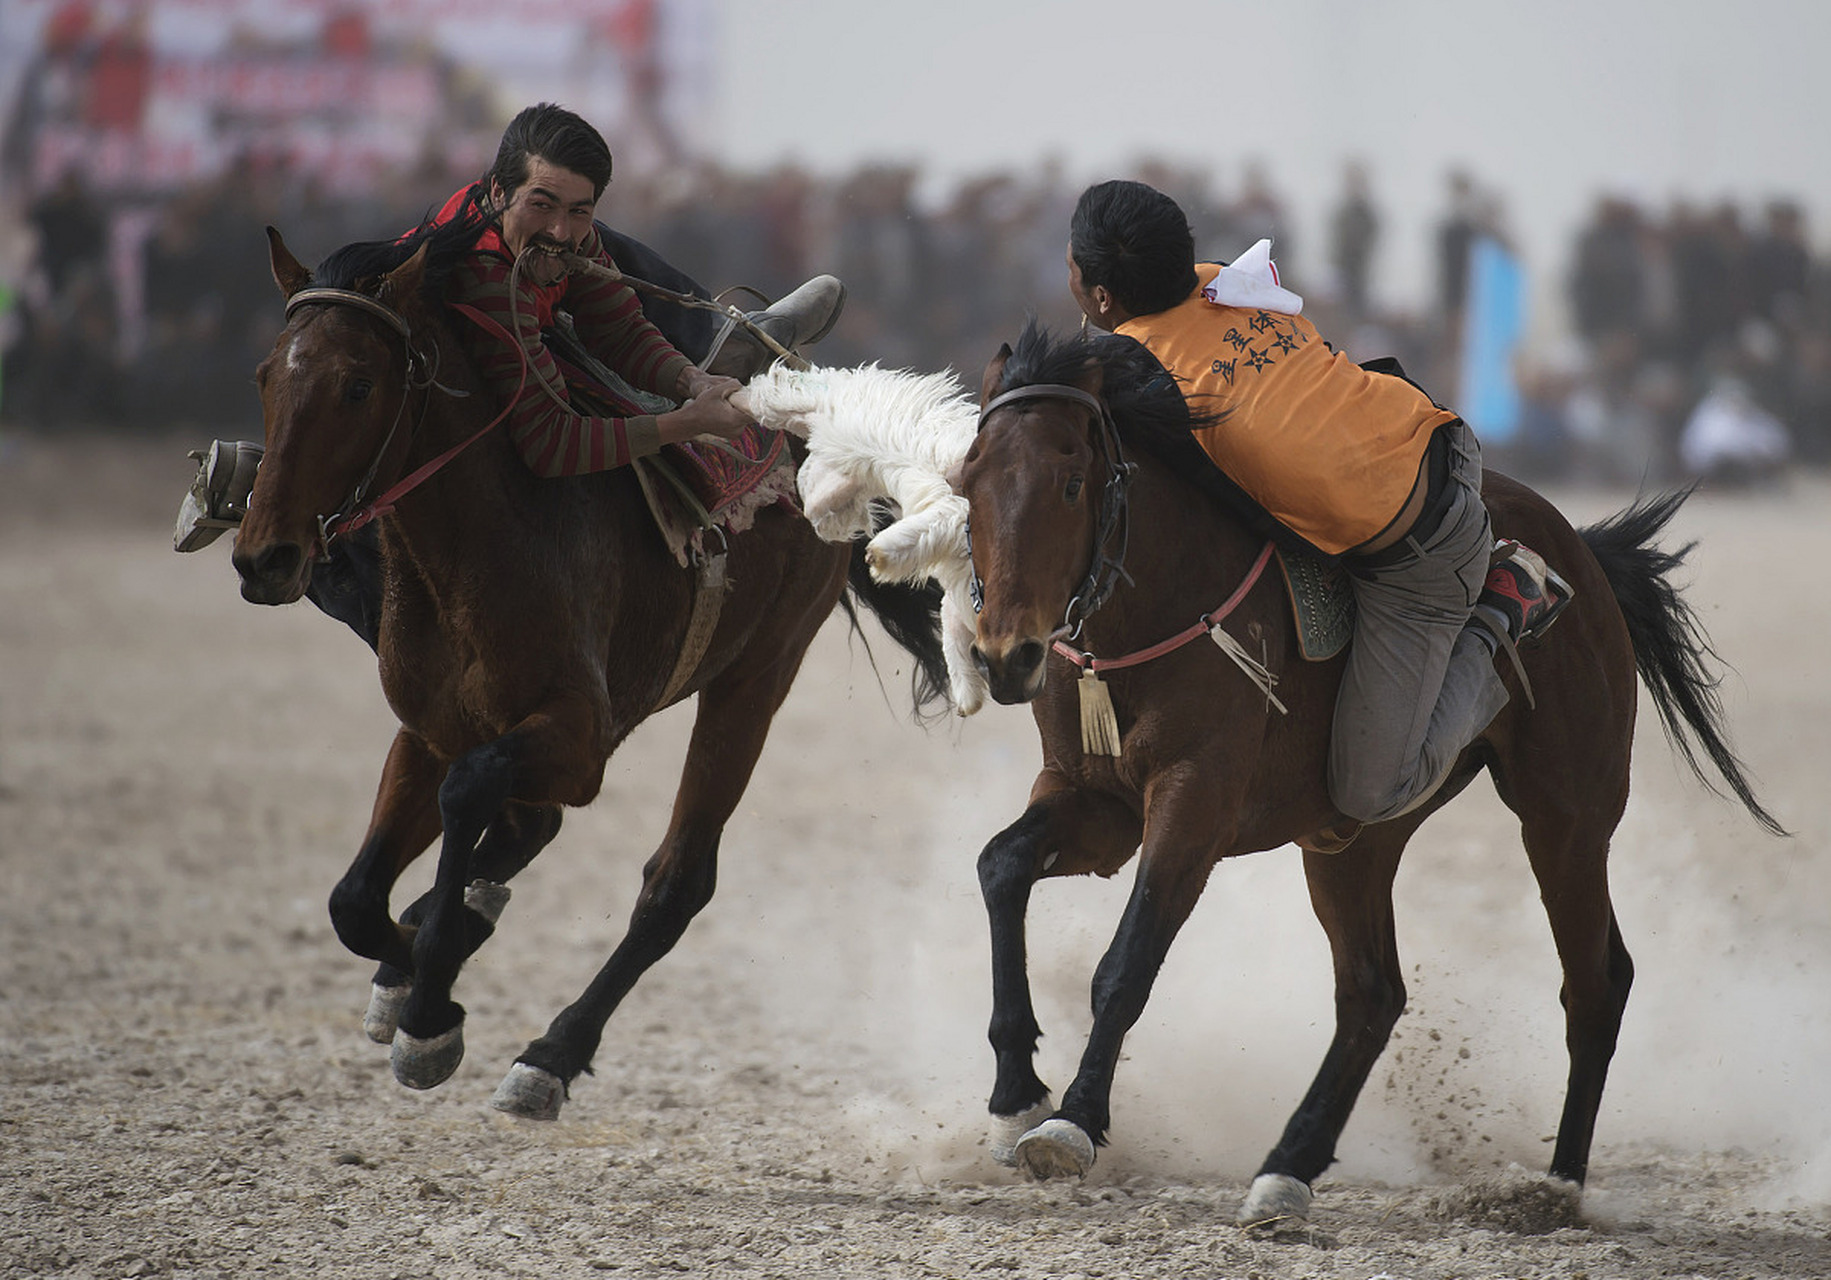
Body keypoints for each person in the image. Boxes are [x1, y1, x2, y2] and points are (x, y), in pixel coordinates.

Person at [1064, 179, 1569, 836]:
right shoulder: (1219, 280)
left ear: (1101, 296)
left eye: (1071, 265)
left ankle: (1503, 606)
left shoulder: (1140, 377)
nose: (1067, 277)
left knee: (1370, 792)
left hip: (1422, 543)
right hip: (1424, 428)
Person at [176, 103, 845, 565]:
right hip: (395, 436)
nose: (559, 228)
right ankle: (255, 484)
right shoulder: (487, 282)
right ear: (498, 194)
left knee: (601, 254)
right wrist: (685, 425)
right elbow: (551, 444)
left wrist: (691, 381)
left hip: (493, 349)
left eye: (577, 209)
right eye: (543, 206)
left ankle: (716, 341)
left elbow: (618, 328)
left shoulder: (557, 234)